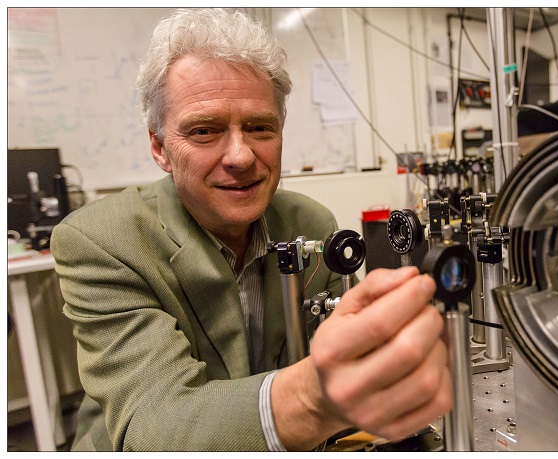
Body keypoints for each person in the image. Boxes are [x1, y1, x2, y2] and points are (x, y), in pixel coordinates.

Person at [51, 8, 450, 451]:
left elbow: (345, 365)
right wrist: (315, 397)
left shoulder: (311, 224)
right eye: (205, 131)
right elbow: (156, 428)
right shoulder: (103, 241)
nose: (240, 156)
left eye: (260, 127)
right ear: (159, 147)